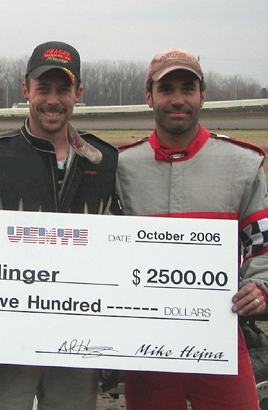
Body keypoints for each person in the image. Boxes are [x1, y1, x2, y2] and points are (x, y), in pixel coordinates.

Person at [0, 41, 119, 410]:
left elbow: (118, 255)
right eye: (42, 88)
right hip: (6, 339)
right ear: (25, 90)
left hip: (79, 340)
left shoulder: (106, 160)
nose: (52, 99)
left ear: (78, 93)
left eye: (63, 89)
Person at [115, 48, 268, 409]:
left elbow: (261, 244)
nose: (178, 99)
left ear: (203, 95)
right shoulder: (120, 167)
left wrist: (261, 286)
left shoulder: (243, 164)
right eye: (166, 90)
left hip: (221, 340)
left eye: (187, 88)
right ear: (149, 97)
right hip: (146, 347)